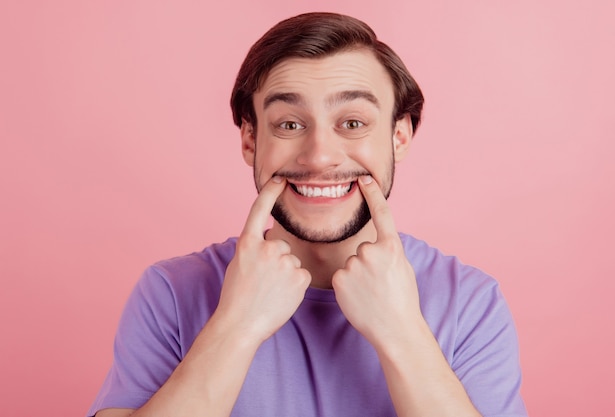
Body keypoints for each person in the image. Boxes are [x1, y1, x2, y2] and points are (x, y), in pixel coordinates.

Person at [88, 12, 527, 417]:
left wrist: (402, 335)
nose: (319, 157)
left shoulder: (470, 302)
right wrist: (237, 326)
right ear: (249, 140)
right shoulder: (171, 293)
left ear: (399, 138)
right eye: (289, 124)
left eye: (352, 123)